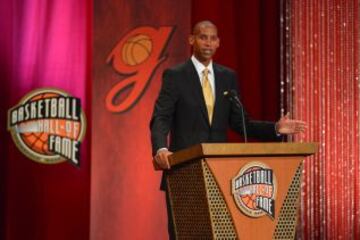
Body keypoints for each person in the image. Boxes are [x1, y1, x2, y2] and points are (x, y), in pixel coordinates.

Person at [150, 20, 306, 239]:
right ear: (191, 40)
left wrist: (275, 128)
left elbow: (241, 122)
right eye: (203, 37)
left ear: (219, 43)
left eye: (213, 38)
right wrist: (160, 149)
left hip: (220, 176)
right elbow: (161, 117)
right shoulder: (175, 75)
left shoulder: (227, 77)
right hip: (185, 173)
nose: (208, 42)